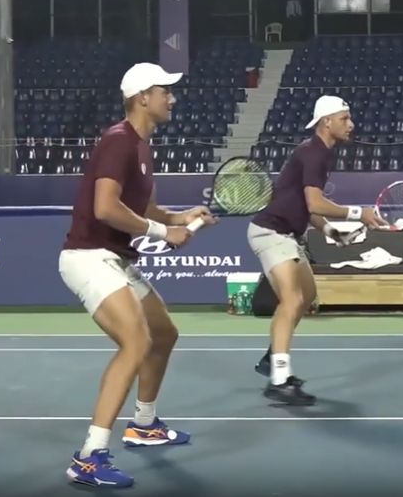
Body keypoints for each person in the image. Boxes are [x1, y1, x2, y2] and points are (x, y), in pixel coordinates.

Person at [58, 62, 217, 488]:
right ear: (142, 97)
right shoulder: (118, 141)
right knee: (136, 341)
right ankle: (89, 457)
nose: (173, 97)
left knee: (163, 333)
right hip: (88, 255)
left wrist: (179, 216)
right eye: (165, 90)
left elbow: (142, 210)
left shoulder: (141, 146)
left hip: (115, 257)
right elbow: (105, 208)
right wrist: (167, 231)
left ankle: (143, 424)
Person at [247, 95, 386, 405]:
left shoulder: (319, 154)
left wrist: (330, 230)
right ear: (327, 121)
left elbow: (306, 208)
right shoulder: (313, 153)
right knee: (292, 300)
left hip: (287, 234)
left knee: (306, 296)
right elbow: (316, 203)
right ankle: (280, 379)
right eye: (344, 119)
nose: (351, 125)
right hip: (270, 232)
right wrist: (357, 214)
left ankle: (272, 359)